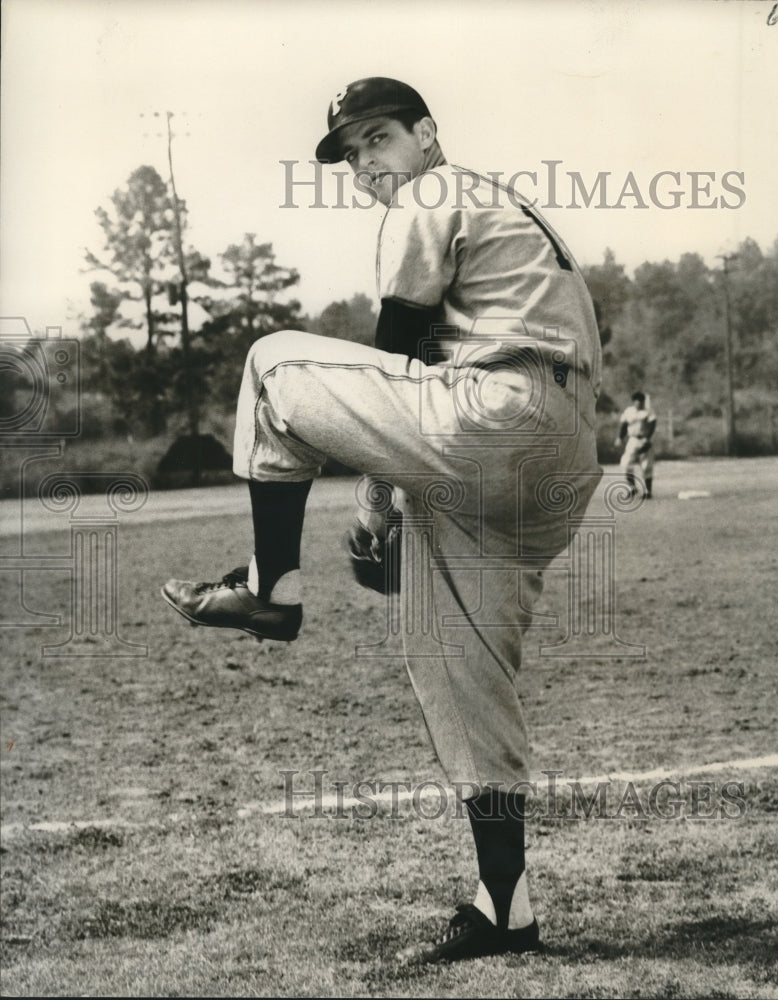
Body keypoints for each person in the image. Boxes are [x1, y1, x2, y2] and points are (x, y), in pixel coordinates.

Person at [162, 77, 603, 964]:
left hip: (506, 407)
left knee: (275, 367)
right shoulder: (493, 208)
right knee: (455, 662)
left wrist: (372, 494)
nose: (368, 164)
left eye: (378, 139)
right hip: (554, 460)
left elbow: (397, 347)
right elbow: (430, 377)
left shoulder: (434, 190)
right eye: (353, 152)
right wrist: (401, 496)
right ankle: (504, 906)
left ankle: (271, 587)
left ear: (427, 135)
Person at [616, 391, 657, 498]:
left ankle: (648, 491)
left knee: (646, 465)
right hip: (632, 439)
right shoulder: (629, 411)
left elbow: (652, 426)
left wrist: (647, 439)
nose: (638, 404)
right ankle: (632, 488)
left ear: (643, 402)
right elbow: (624, 425)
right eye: (636, 401)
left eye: (640, 401)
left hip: (644, 439)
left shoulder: (648, 411)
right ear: (633, 402)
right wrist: (620, 437)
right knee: (625, 464)